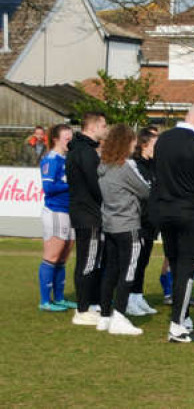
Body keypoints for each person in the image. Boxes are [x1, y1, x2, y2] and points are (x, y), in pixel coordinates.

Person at [151, 104, 194, 343]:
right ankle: (177, 325)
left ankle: (184, 317)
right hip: (190, 213)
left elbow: (157, 176)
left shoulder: (163, 140)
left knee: (176, 265)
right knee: (187, 271)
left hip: (165, 211)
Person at [95, 124, 150, 335]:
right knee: (128, 271)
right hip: (128, 225)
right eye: (133, 141)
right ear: (125, 143)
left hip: (110, 225)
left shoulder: (104, 166)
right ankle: (119, 316)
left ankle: (105, 316)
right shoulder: (124, 167)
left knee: (110, 271)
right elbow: (144, 190)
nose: (135, 145)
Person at [67, 112, 108, 326]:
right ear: (93, 127)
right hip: (88, 215)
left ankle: (90, 304)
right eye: (104, 125)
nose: (106, 129)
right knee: (88, 261)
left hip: (86, 213)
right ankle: (82, 310)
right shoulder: (85, 152)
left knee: (91, 260)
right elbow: (96, 184)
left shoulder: (83, 149)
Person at [38, 124, 76, 312]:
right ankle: (45, 301)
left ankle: (59, 298)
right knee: (52, 256)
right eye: (67, 139)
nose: (70, 141)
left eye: (71, 138)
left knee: (63, 257)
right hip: (55, 211)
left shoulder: (66, 158)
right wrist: (72, 185)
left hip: (69, 211)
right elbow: (49, 189)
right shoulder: (51, 160)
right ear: (56, 139)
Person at [127, 126, 163, 316]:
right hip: (138, 221)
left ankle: (138, 296)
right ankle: (129, 299)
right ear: (144, 144)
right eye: (154, 144)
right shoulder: (135, 165)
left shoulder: (155, 165)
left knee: (143, 261)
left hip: (151, 222)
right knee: (135, 261)